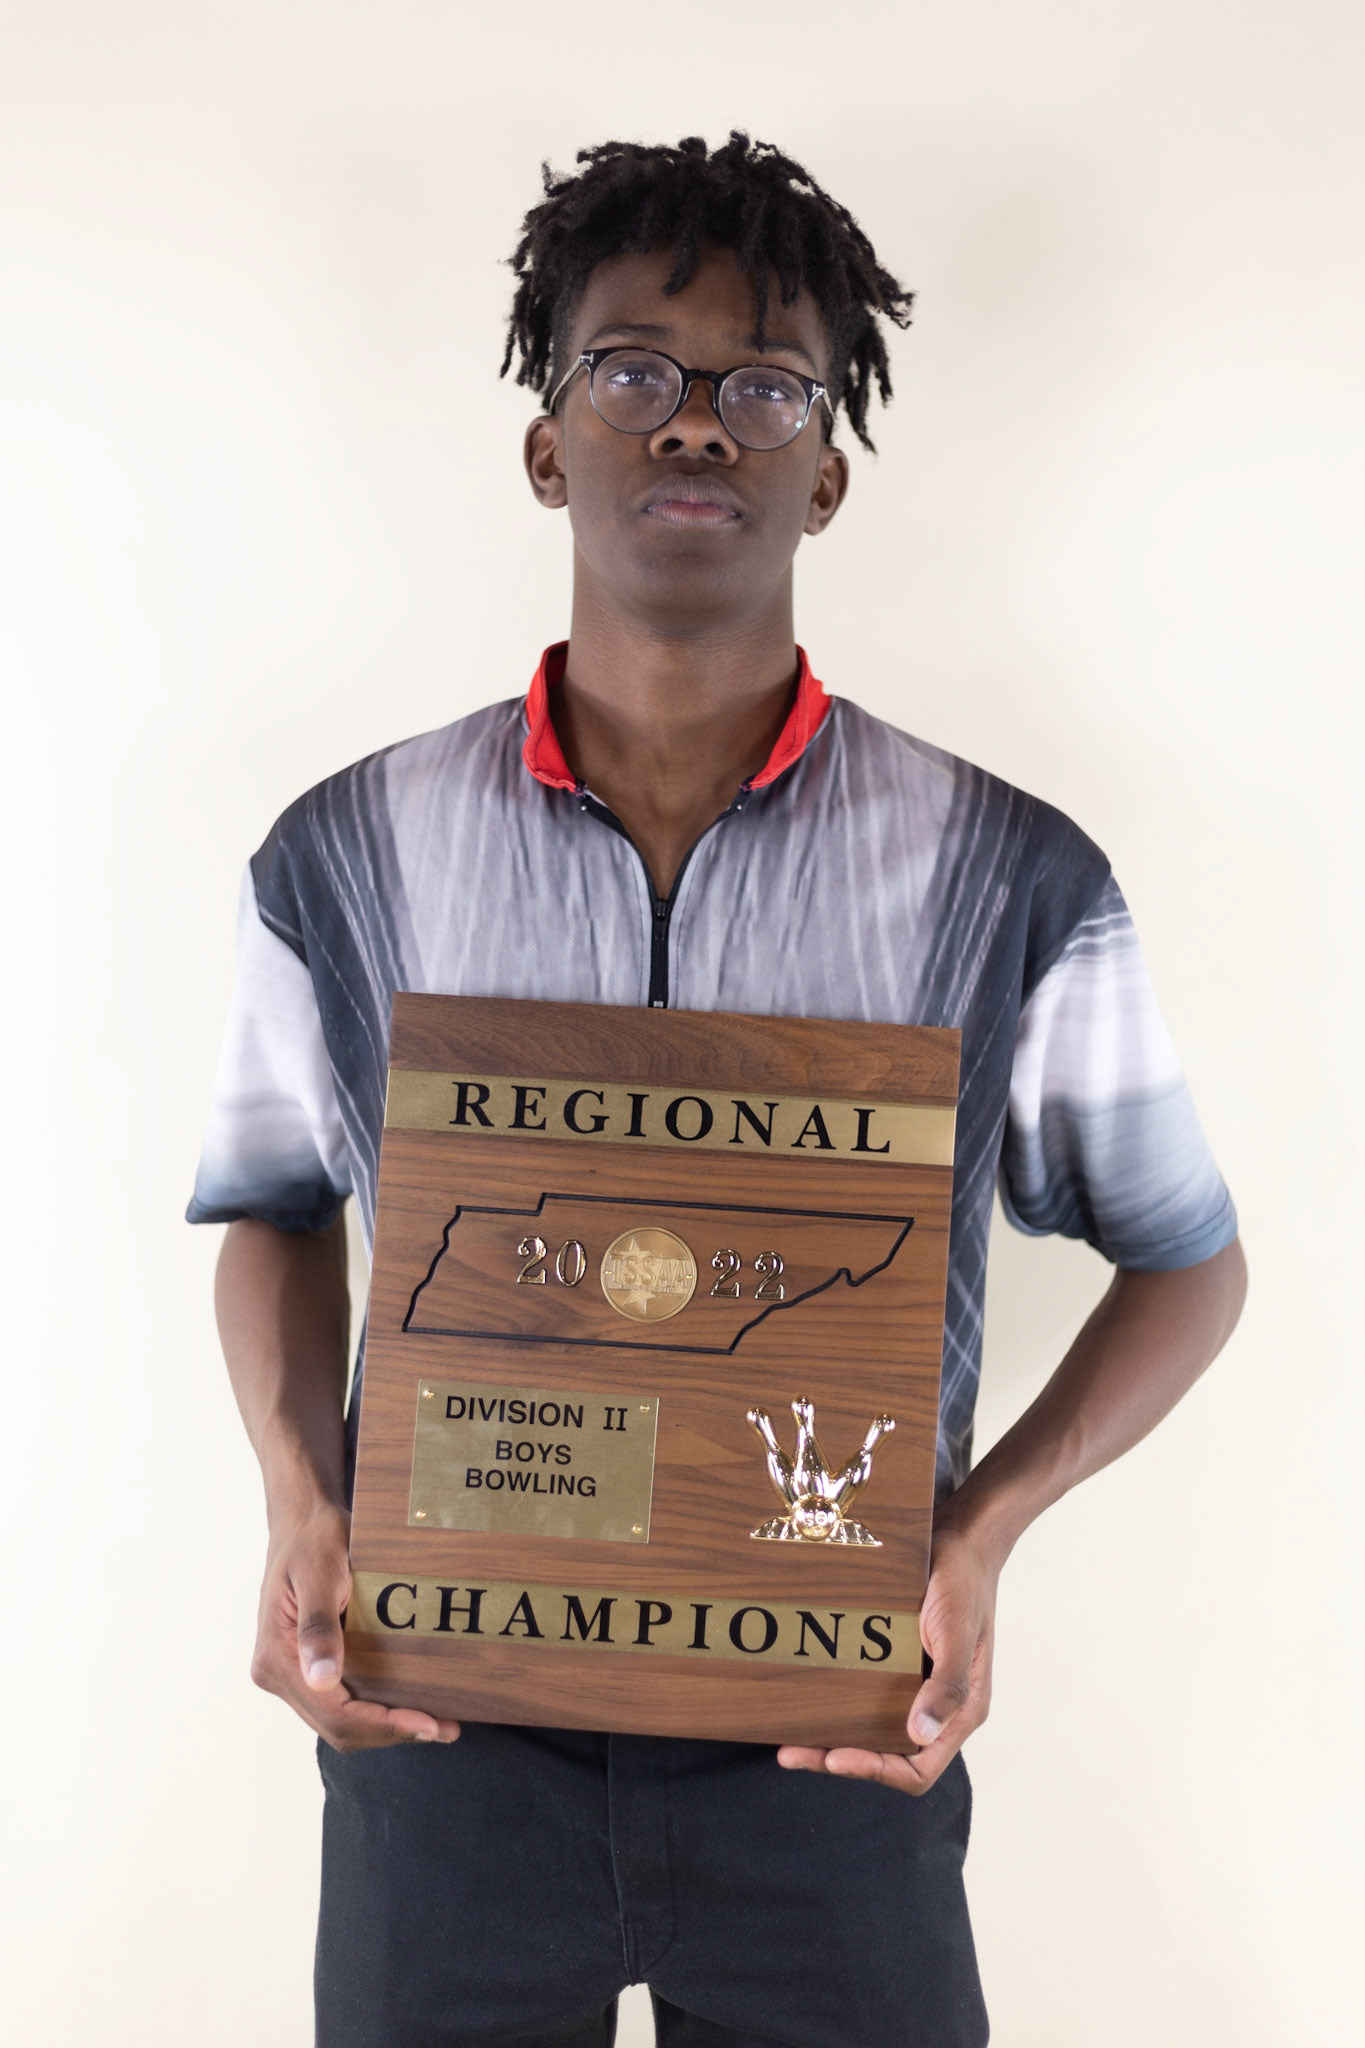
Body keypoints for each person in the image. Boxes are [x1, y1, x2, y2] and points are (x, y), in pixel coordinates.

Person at [190, 133, 1246, 2048]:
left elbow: (1188, 1263)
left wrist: (977, 1533)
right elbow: (272, 1197)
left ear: (825, 471)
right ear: (546, 443)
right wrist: (296, 1491)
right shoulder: (343, 852)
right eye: (631, 372)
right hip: (441, 1729)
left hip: (827, 1749)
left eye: (761, 385)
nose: (695, 425)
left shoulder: (1003, 870)